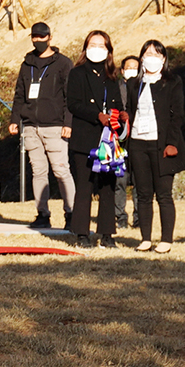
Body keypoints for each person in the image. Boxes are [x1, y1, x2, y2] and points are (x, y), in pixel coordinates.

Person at [122, 39, 185, 253]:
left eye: (156, 54)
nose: (151, 58)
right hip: (138, 144)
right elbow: (130, 112)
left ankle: (166, 240)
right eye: (147, 53)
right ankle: (145, 239)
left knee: (164, 194)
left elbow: (177, 115)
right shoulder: (134, 84)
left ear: (163, 59)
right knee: (142, 193)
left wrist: (172, 143)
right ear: (141, 57)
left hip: (162, 146)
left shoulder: (172, 81)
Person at [6, 21, 71, 231]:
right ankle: (42, 214)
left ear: (50, 38)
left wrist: (68, 123)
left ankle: (71, 212)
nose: (38, 40)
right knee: (38, 172)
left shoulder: (63, 63)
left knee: (61, 170)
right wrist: (15, 120)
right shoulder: (27, 63)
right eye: (34, 37)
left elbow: (69, 97)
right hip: (31, 126)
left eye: (42, 37)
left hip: (55, 126)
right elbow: (19, 94)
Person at [64, 28, 124, 248]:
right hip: (85, 138)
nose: (97, 49)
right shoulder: (77, 73)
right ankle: (81, 233)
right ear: (85, 48)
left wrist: (121, 115)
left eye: (101, 45)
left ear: (108, 50)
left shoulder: (111, 76)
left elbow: (116, 102)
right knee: (85, 185)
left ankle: (108, 234)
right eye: (93, 45)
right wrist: (96, 115)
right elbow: (73, 103)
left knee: (108, 186)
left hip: (108, 140)